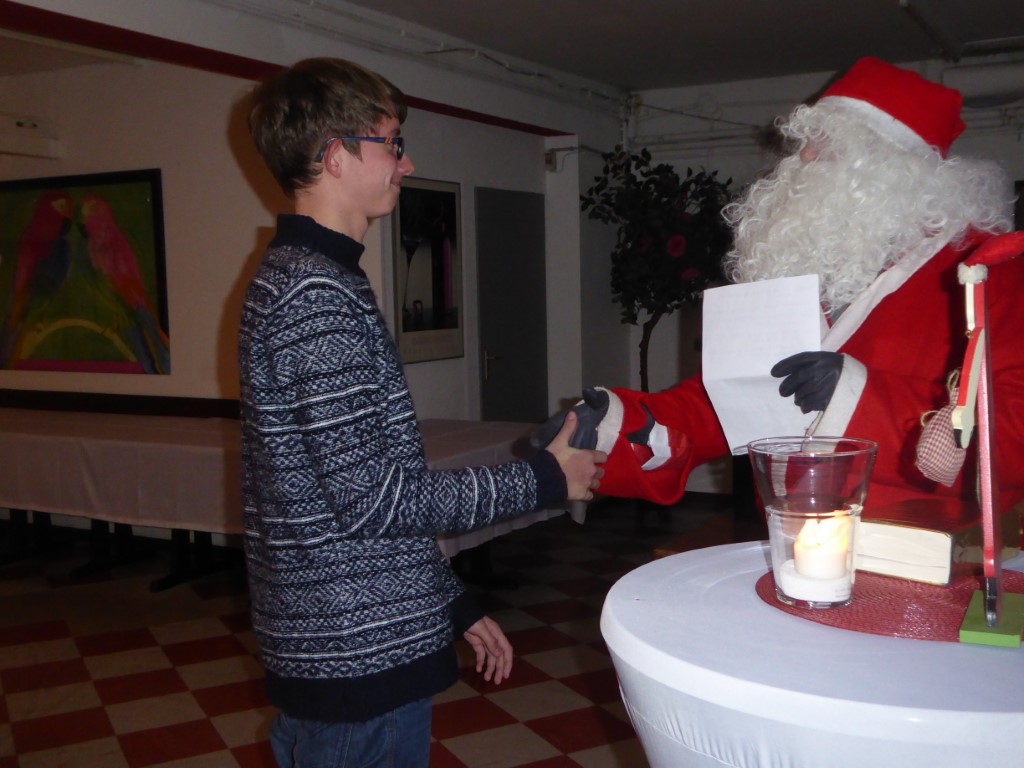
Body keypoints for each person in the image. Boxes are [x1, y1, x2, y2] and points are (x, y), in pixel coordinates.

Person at [239, 57, 606, 768]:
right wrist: (544, 479)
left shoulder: (313, 281)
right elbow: (375, 500)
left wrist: (448, 601)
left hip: (353, 637)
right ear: (335, 156)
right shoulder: (314, 299)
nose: (406, 164)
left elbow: (354, 497)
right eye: (393, 144)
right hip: (357, 657)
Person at [541, 57, 1024, 516]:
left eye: (825, 143)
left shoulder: (989, 271)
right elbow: (733, 401)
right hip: (791, 532)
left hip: (927, 550)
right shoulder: (807, 263)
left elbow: (1015, 432)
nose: (803, 157)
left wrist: (854, 395)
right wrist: (618, 425)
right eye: (805, 142)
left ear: (894, 165)